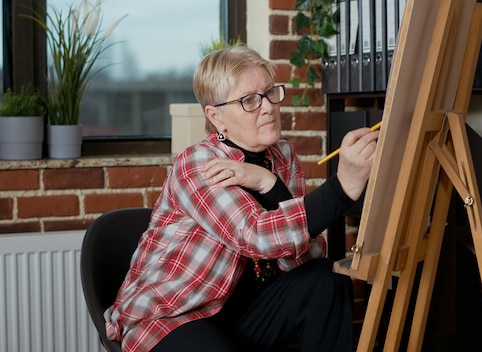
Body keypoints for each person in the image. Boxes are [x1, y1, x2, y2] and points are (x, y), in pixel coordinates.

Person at [104, 45, 379, 352]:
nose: (267, 108)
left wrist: (270, 183)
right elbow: (257, 236)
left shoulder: (283, 157)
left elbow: (301, 255)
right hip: (173, 314)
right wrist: (342, 188)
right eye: (249, 100)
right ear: (216, 116)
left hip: (241, 313)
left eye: (270, 93)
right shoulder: (197, 163)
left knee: (324, 280)